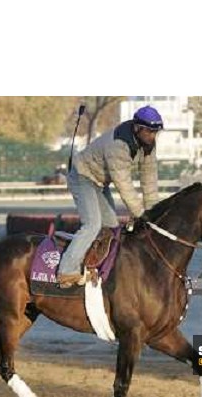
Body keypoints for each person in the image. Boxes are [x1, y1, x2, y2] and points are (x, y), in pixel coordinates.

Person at [56, 105, 164, 288]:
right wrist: (140, 214)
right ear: (138, 127)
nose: (153, 136)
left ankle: (93, 266)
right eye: (149, 131)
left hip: (99, 183)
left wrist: (154, 212)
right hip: (82, 177)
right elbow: (124, 185)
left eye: (156, 131)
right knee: (93, 225)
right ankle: (67, 270)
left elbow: (149, 179)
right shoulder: (118, 145)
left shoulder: (148, 144)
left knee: (112, 227)